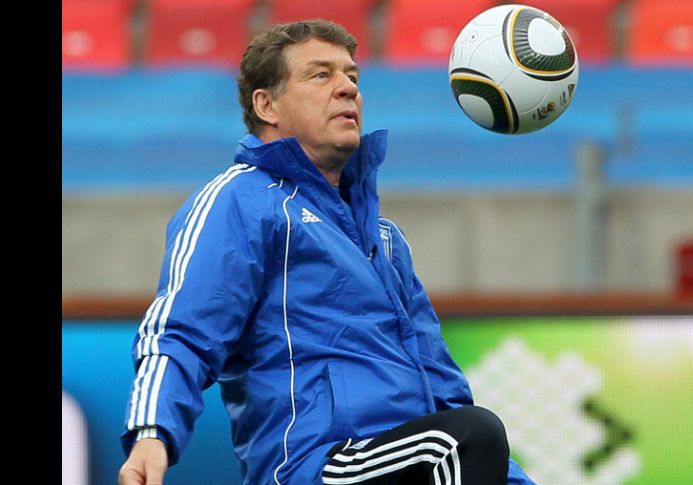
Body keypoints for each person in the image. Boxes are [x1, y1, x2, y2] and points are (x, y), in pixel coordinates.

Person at [118, 19, 537, 485]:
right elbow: (181, 329)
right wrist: (151, 431)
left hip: (407, 456)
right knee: (462, 439)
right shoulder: (239, 201)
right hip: (315, 464)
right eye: (321, 75)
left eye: (352, 77)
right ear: (267, 104)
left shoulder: (386, 240)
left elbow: (445, 391)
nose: (346, 89)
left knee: (469, 439)